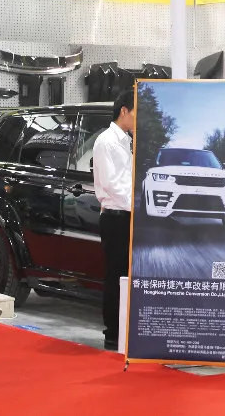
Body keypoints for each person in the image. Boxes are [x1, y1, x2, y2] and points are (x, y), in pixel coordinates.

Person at [93, 88, 135, 351]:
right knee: (116, 276)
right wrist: (137, 206)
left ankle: (126, 331)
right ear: (124, 111)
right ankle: (113, 333)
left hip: (128, 215)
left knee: (128, 276)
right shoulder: (106, 141)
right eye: (137, 113)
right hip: (117, 217)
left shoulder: (127, 141)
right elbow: (112, 185)